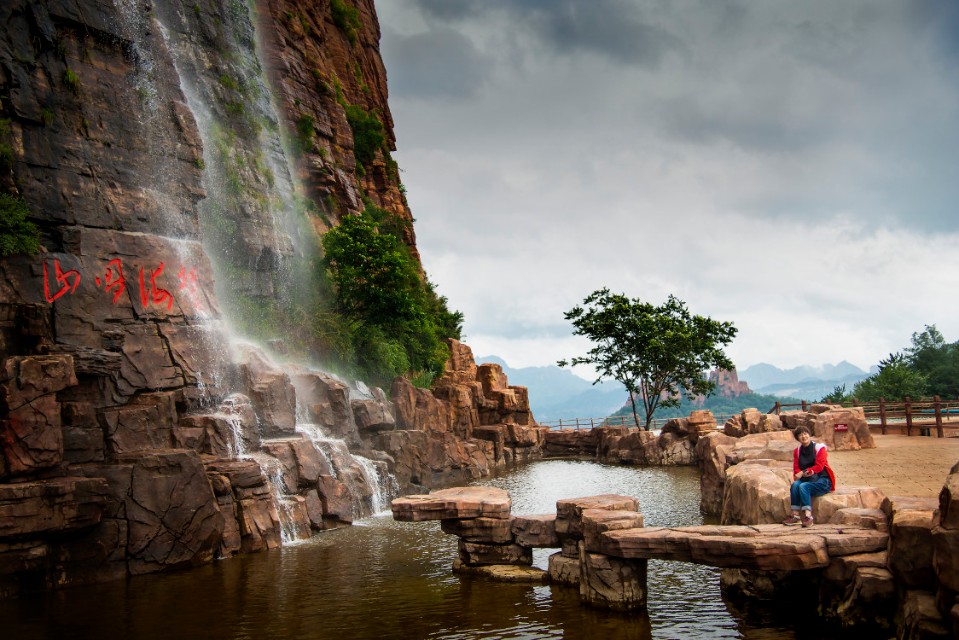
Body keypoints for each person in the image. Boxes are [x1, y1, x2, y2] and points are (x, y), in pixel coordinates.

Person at [782, 425, 836, 527]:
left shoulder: (819, 448)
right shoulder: (797, 451)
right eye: (800, 435)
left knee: (803, 486)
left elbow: (819, 466)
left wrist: (804, 472)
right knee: (795, 485)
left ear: (809, 434)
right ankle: (795, 515)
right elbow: (796, 468)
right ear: (797, 438)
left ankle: (808, 516)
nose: (803, 436)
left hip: (823, 480)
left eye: (805, 433)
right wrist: (800, 473)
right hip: (808, 479)